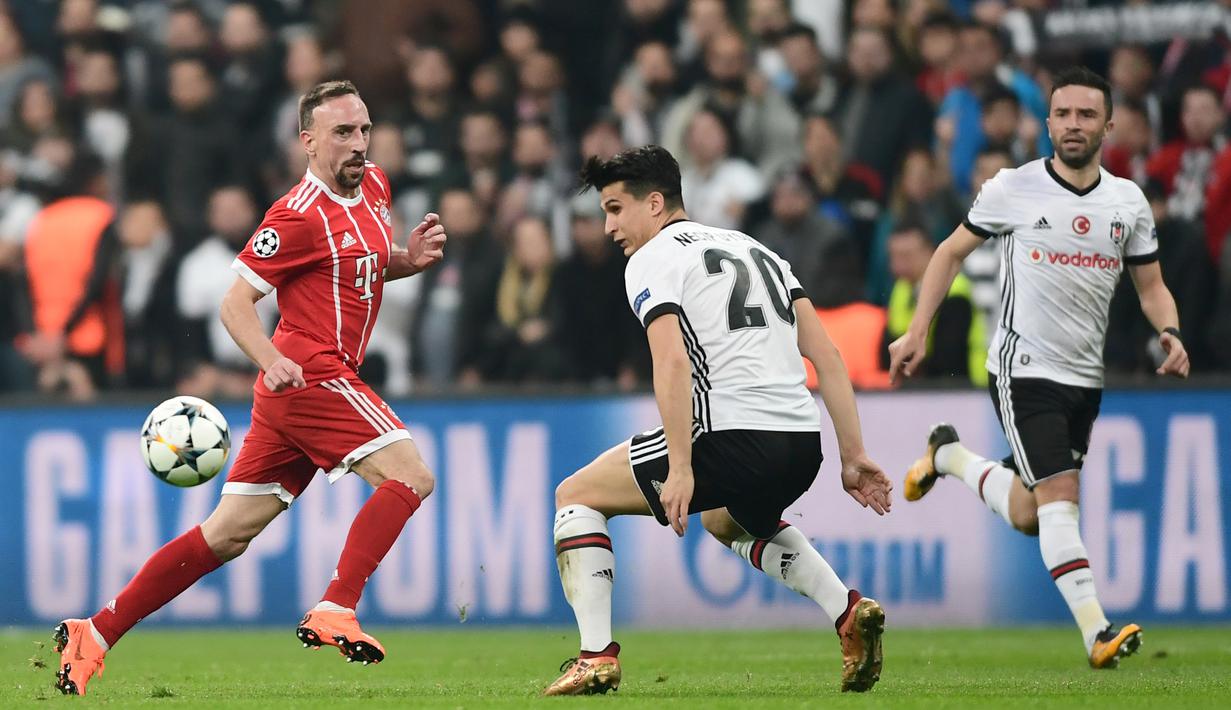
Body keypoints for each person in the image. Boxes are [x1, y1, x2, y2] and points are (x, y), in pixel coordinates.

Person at [51, 80, 448, 696]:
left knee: (227, 534)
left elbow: (360, 260)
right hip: (310, 371)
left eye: (364, 129)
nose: (359, 144)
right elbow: (235, 303)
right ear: (307, 141)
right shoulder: (295, 215)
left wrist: (407, 259)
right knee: (412, 475)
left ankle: (96, 632)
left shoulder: (374, 187)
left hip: (296, 388)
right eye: (343, 133)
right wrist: (269, 358)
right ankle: (337, 605)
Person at [543, 145, 893, 696]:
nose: (609, 227)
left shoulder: (652, 258)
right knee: (725, 521)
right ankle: (848, 611)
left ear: (654, 204)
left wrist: (680, 466)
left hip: (728, 436)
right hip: (802, 444)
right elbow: (825, 354)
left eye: (615, 209)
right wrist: (853, 455)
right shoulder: (757, 249)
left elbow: (672, 359)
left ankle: (595, 657)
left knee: (575, 496)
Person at [888, 67, 1190, 669]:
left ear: (1108, 124)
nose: (1073, 125)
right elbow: (949, 252)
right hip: (1022, 368)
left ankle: (948, 455)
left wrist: (1170, 331)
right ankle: (1096, 632)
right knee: (1059, 495)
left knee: (1031, 515)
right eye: (1063, 114)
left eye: (1086, 115)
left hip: (1085, 380)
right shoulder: (1012, 188)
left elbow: (1151, 285)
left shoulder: (1126, 202)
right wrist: (918, 327)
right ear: (1047, 122)